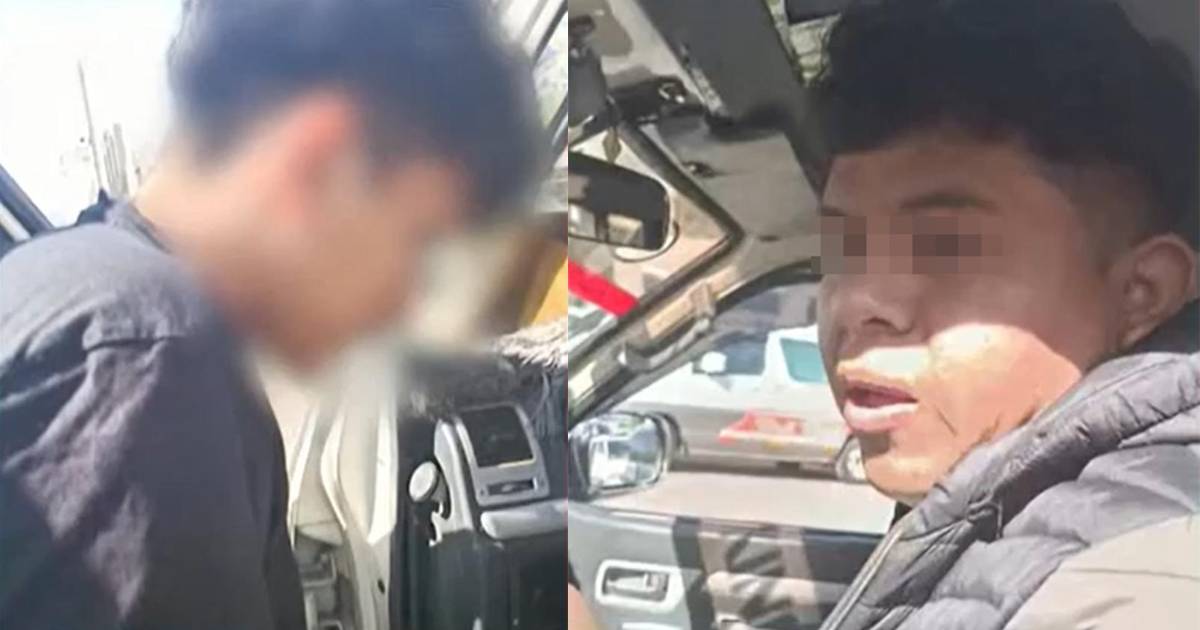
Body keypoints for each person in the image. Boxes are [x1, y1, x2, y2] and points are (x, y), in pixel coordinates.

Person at [0, 0, 541, 628]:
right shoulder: (151, 360)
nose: (404, 303)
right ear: (319, 163)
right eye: (418, 242)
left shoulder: (80, 287)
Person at [812, 0, 1199, 628]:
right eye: (841, 249)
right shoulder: (994, 515)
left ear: (1142, 292)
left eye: (945, 246)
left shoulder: (1139, 586)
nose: (855, 301)